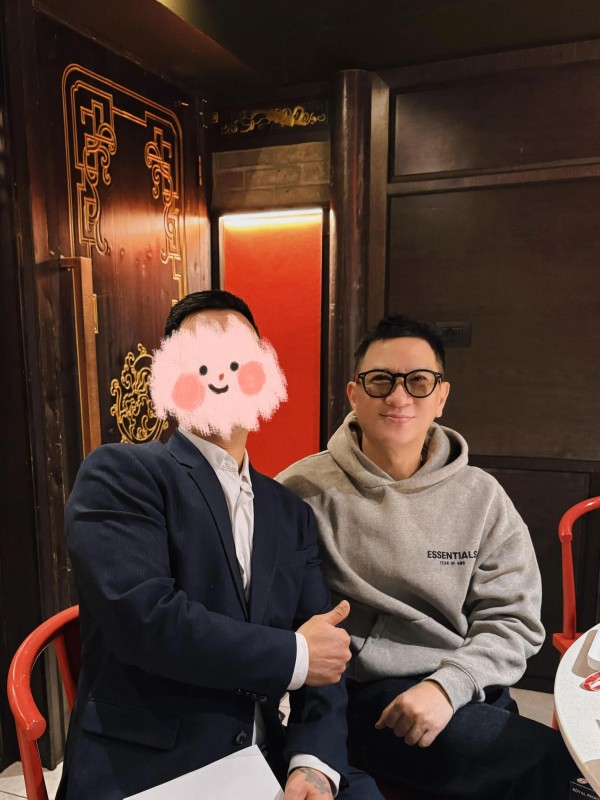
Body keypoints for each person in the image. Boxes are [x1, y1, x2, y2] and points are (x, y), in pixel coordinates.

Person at [57, 290, 383, 800]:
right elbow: (147, 621)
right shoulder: (121, 473)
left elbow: (324, 648)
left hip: (266, 758)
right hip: (152, 767)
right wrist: (295, 654)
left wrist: (312, 765)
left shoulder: (289, 511)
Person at [277, 314, 577, 800]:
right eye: (381, 381)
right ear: (354, 394)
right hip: (369, 702)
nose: (399, 397)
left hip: (467, 685)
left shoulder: (482, 496)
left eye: (418, 382)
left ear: (441, 396)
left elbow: (515, 621)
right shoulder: (301, 491)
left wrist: (448, 686)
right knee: (556, 769)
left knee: (553, 760)